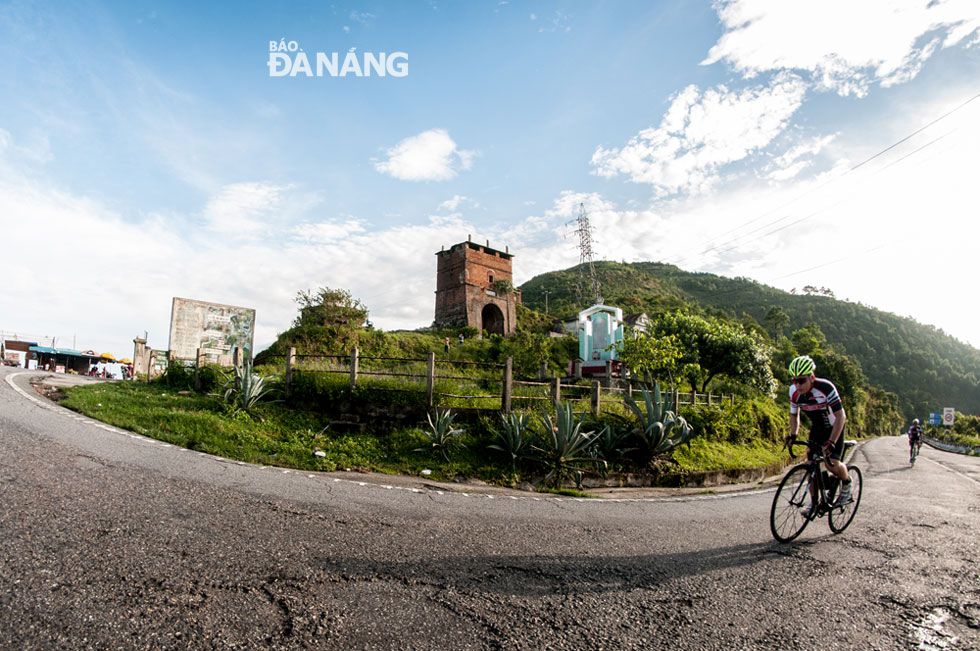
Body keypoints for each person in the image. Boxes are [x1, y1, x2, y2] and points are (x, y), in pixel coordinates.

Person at [785, 355, 853, 515]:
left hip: (834, 426)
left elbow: (841, 416)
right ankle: (814, 504)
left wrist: (832, 441)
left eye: (801, 380)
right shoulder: (794, 392)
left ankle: (846, 483)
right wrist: (793, 434)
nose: (797, 384)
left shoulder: (826, 388)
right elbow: (794, 414)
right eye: (794, 380)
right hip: (817, 428)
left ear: (812, 377)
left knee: (831, 464)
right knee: (811, 465)